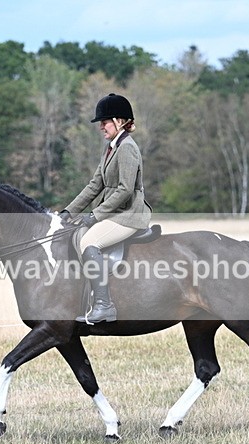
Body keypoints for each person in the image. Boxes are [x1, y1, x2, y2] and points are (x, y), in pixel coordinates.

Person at [59, 93, 152, 324]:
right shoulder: (111, 148)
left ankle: (104, 306)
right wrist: (68, 212)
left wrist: (94, 216)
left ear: (120, 121)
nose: (101, 126)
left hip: (129, 214)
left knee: (89, 242)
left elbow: (125, 191)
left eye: (105, 121)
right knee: (76, 235)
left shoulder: (127, 148)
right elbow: (94, 186)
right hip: (115, 212)